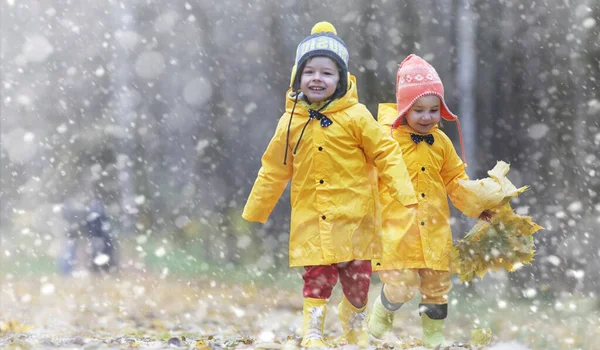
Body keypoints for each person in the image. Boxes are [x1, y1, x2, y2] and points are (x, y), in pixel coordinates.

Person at [242, 22, 417, 348]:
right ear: (298, 78)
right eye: (309, 72)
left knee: (358, 284)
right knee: (317, 280)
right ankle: (313, 334)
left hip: (355, 218)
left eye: (327, 73)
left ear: (341, 81)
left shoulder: (357, 116)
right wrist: (257, 208)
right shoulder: (291, 121)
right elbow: (274, 168)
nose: (317, 79)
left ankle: (353, 326)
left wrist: (403, 192)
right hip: (313, 216)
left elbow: (386, 153)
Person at [367, 54, 493, 348]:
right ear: (404, 109)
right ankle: (384, 310)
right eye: (418, 110)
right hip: (398, 230)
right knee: (403, 285)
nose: (427, 117)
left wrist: (479, 205)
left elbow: (455, 181)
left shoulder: (442, 144)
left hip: (435, 230)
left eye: (433, 110)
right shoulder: (386, 141)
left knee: (437, 286)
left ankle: (433, 338)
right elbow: (368, 178)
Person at [59, 197, 118, 275]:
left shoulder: (90, 213)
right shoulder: (95, 213)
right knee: (96, 252)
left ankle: (99, 268)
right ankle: (99, 268)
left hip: (95, 236)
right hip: (96, 236)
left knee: (95, 252)